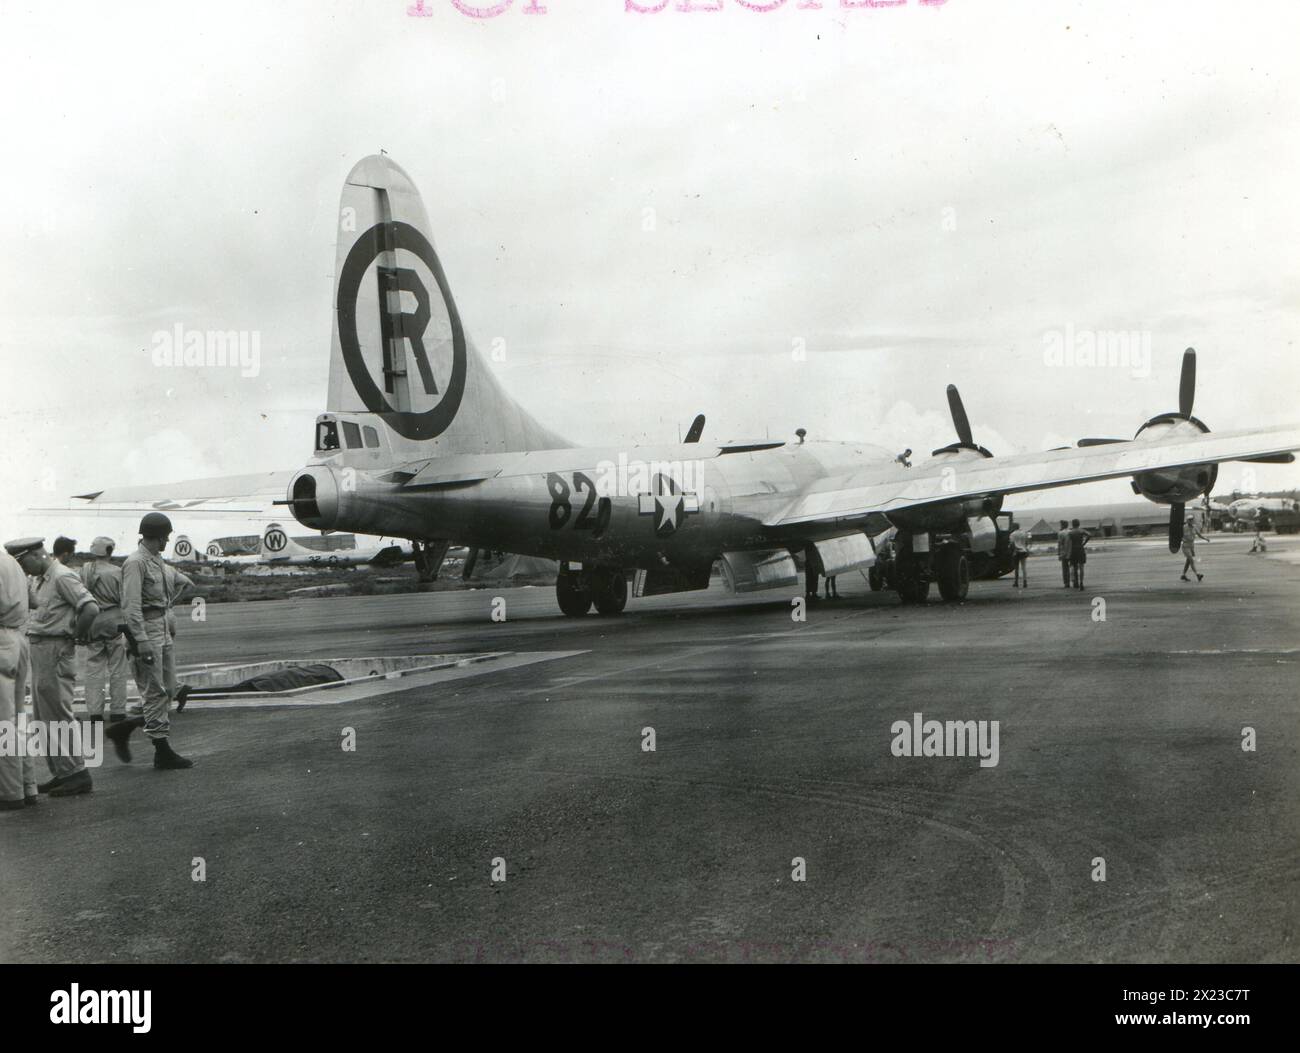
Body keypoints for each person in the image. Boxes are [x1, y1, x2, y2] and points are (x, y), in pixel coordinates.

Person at [8, 538, 100, 797]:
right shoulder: (39, 579)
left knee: (59, 713)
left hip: (56, 648)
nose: (22, 568)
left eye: (22, 561)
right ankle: (63, 772)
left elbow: (90, 608)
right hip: (41, 648)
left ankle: (78, 773)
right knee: (44, 716)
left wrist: (76, 636)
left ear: (36, 555)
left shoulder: (61, 576)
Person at [107, 513, 193, 769]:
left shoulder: (158, 562)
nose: (168, 539)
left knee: (167, 689)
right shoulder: (135, 563)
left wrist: (171, 602)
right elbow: (130, 606)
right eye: (166, 535)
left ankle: (125, 728)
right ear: (158, 535)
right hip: (146, 630)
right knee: (154, 691)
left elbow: (184, 584)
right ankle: (161, 751)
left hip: (162, 627)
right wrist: (140, 640)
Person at [0, 545, 37, 810]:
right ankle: (28, 785)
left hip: (2, 638)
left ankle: (10, 793)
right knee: (19, 718)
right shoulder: (11, 562)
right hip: (18, 638)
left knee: (3, 721)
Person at [80, 536, 128, 726]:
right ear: (109, 550)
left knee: (93, 667)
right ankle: (118, 710)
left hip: (93, 619)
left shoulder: (85, 571)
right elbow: (124, 599)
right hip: (114, 619)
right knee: (117, 667)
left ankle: (94, 712)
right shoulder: (117, 572)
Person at [1180, 516, 1210, 582]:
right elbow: (1179, 536)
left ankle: (1183, 575)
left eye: (1192, 520)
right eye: (1189, 520)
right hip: (1185, 546)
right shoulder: (1184, 527)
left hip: (1191, 546)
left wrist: (1205, 539)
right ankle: (1197, 575)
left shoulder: (1194, 527)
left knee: (1188, 562)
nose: (1191, 521)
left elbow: (1199, 535)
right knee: (1191, 559)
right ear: (1187, 521)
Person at [1067, 519, 1090, 591]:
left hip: (1073, 550)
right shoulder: (1081, 531)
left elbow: (1069, 543)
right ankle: (1081, 582)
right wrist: (1084, 543)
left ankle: (1075, 582)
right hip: (1080, 548)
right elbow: (1089, 534)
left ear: (1072, 524)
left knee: (1073, 566)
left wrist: (1068, 553)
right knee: (1081, 567)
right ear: (1079, 524)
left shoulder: (1070, 533)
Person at [1009, 521, 1030, 588]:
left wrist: (1013, 550)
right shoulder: (1024, 533)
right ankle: (1025, 582)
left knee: (1016, 568)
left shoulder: (1012, 534)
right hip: (1023, 551)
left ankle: (1016, 582)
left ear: (1014, 527)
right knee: (1024, 568)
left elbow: (1012, 544)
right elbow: (1027, 542)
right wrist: (1025, 548)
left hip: (1016, 552)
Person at [1056, 519, 1071, 588]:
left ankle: (1066, 583)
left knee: (1065, 568)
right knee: (1073, 567)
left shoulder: (1060, 533)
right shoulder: (1071, 532)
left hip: (1064, 552)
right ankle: (1074, 581)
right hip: (1071, 552)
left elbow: (1059, 544)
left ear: (1062, 525)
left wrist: (1059, 553)